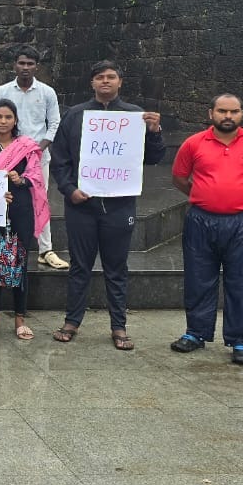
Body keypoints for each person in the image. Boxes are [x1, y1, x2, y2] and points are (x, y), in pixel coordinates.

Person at [49, 60, 164, 350]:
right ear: (92, 83)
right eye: (99, 77)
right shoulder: (75, 116)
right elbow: (60, 159)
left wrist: (155, 131)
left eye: (111, 77)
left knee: (116, 267)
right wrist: (69, 190)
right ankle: (72, 321)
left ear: (120, 82)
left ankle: (119, 326)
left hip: (119, 206)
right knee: (79, 267)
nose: (105, 82)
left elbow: (152, 158)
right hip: (81, 206)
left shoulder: (136, 116)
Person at [170, 94, 243, 366]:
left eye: (234, 112)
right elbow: (179, 178)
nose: (228, 116)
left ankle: (241, 341)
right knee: (198, 279)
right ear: (211, 113)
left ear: (242, 114)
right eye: (222, 111)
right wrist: (204, 195)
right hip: (201, 221)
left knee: (242, 282)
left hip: (242, 223)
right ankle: (196, 333)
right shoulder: (193, 144)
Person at [0, 100, 50, 341]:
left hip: (19, 208)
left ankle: (20, 318)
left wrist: (19, 179)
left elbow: (35, 177)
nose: (3, 121)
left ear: (15, 120)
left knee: (20, 262)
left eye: (8, 117)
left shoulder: (25, 146)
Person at [0, 46, 65, 269]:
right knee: (3, 200)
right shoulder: (3, 91)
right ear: (14, 65)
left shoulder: (47, 92)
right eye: (21, 63)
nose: (25, 68)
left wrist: (38, 149)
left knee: (40, 200)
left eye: (30, 64)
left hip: (37, 157)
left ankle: (45, 249)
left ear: (37, 67)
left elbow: (54, 124)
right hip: (6, 157)